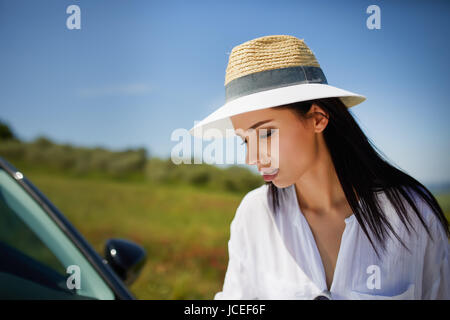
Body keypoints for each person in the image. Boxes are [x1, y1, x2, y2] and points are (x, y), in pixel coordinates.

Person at [189, 35, 450, 299]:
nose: (252, 157)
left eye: (266, 133)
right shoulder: (254, 215)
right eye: (245, 140)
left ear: (317, 118)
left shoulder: (413, 214)